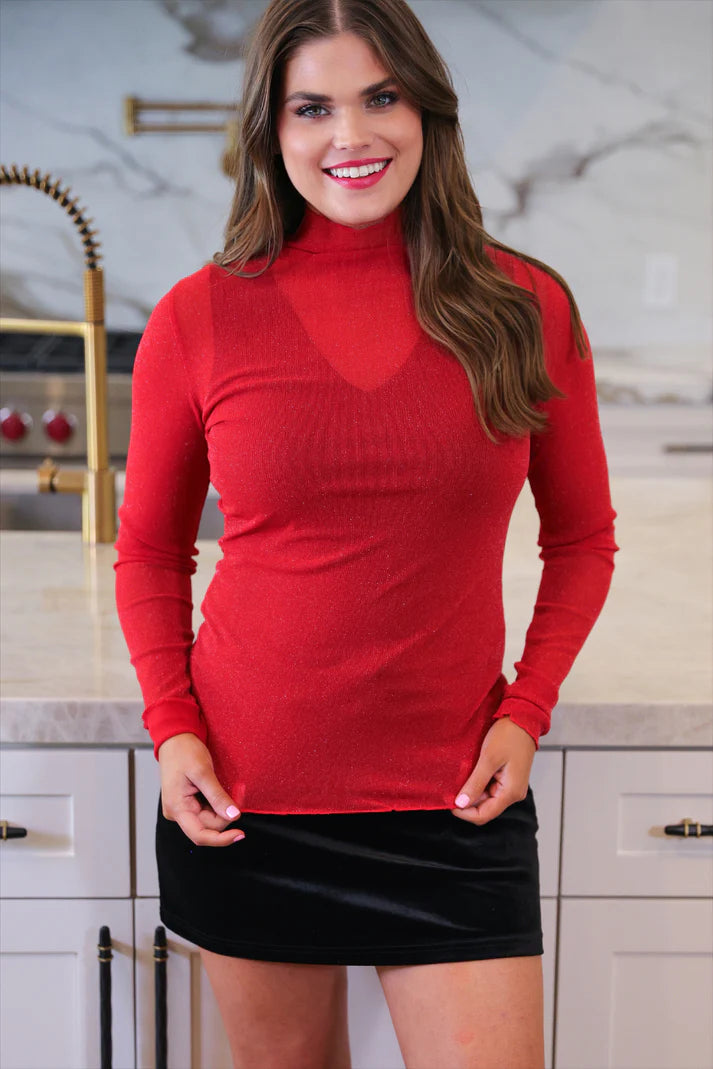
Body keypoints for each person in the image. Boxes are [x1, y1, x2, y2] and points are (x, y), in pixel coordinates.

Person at [113, 0, 619, 1066]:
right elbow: (152, 549)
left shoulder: (523, 307)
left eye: (379, 96)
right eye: (312, 107)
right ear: (272, 129)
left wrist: (524, 712)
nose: (351, 135)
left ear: (425, 108)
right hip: (246, 800)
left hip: (455, 802)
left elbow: (580, 540)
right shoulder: (199, 317)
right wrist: (174, 729)